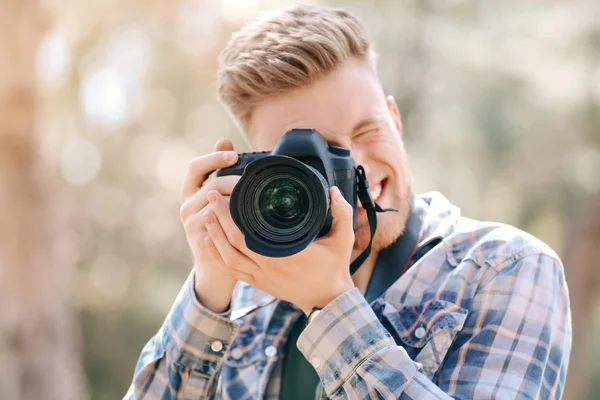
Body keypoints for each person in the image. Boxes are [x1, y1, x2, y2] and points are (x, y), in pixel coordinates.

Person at [125, 4, 571, 399]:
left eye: (366, 131)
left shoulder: (504, 267)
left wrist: (330, 304)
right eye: (311, 156)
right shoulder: (245, 298)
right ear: (258, 172)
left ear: (394, 121)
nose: (355, 166)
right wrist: (209, 293)